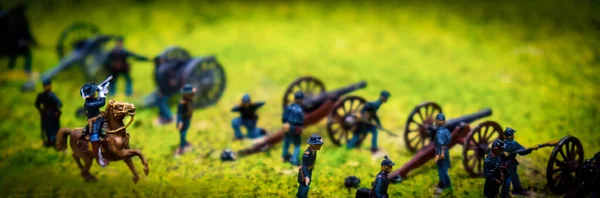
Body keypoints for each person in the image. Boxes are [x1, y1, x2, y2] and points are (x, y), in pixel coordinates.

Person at [80, 82, 108, 167]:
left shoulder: (92, 100)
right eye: (93, 92)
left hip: (100, 118)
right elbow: (102, 102)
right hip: (95, 123)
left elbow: (100, 99)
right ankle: (99, 158)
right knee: (95, 140)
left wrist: (103, 90)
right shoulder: (89, 104)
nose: (94, 92)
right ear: (89, 95)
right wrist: (101, 92)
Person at [501, 127, 533, 197]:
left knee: (512, 178)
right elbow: (523, 152)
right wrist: (529, 150)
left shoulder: (502, 143)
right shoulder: (513, 144)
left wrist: (529, 149)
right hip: (508, 165)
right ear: (512, 136)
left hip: (506, 164)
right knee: (508, 179)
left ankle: (515, 191)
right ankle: (505, 194)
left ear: (505, 136)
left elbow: (522, 151)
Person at [35, 79, 62, 147]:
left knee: (53, 130)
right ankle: (49, 142)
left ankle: (53, 142)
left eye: (47, 85)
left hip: (51, 115)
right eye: (45, 86)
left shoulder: (51, 95)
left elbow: (59, 104)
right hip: (47, 115)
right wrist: (41, 110)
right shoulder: (43, 95)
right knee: (47, 130)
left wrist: (56, 110)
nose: (46, 87)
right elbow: (37, 104)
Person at [296, 134, 324, 198]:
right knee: (306, 186)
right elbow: (304, 165)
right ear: (313, 145)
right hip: (305, 171)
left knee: (303, 184)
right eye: (319, 144)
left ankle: (299, 195)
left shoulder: (314, 151)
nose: (320, 145)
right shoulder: (307, 154)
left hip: (309, 170)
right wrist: (306, 176)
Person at [282, 91, 305, 165]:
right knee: (297, 145)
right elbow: (301, 120)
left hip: (287, 126)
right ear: (301, 100)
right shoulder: (300, 110)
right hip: (295, 128)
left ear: (294, 99)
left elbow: (284, 118)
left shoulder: (289, 107)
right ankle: (294, 160)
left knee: (286, 142)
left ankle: (284, 156)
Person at [434, 113, 452, 194]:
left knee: (441, 169)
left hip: (441, 152)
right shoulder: (447, 131)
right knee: (445, 169)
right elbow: (449, 140)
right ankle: (445, 184)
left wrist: (438, 155)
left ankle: (445, 185)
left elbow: (439, 144)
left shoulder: (438, 133)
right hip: (446, 150)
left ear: (436, 122)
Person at [176, 84, 195, 155]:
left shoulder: (189, 102)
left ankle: (184, 142)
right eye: (191, 94)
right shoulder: (182, 104)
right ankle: (182, 147)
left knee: (185, 131)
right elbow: (179, 114)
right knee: (183, 133)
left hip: (187, 119)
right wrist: (179, 122)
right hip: (183, 120)